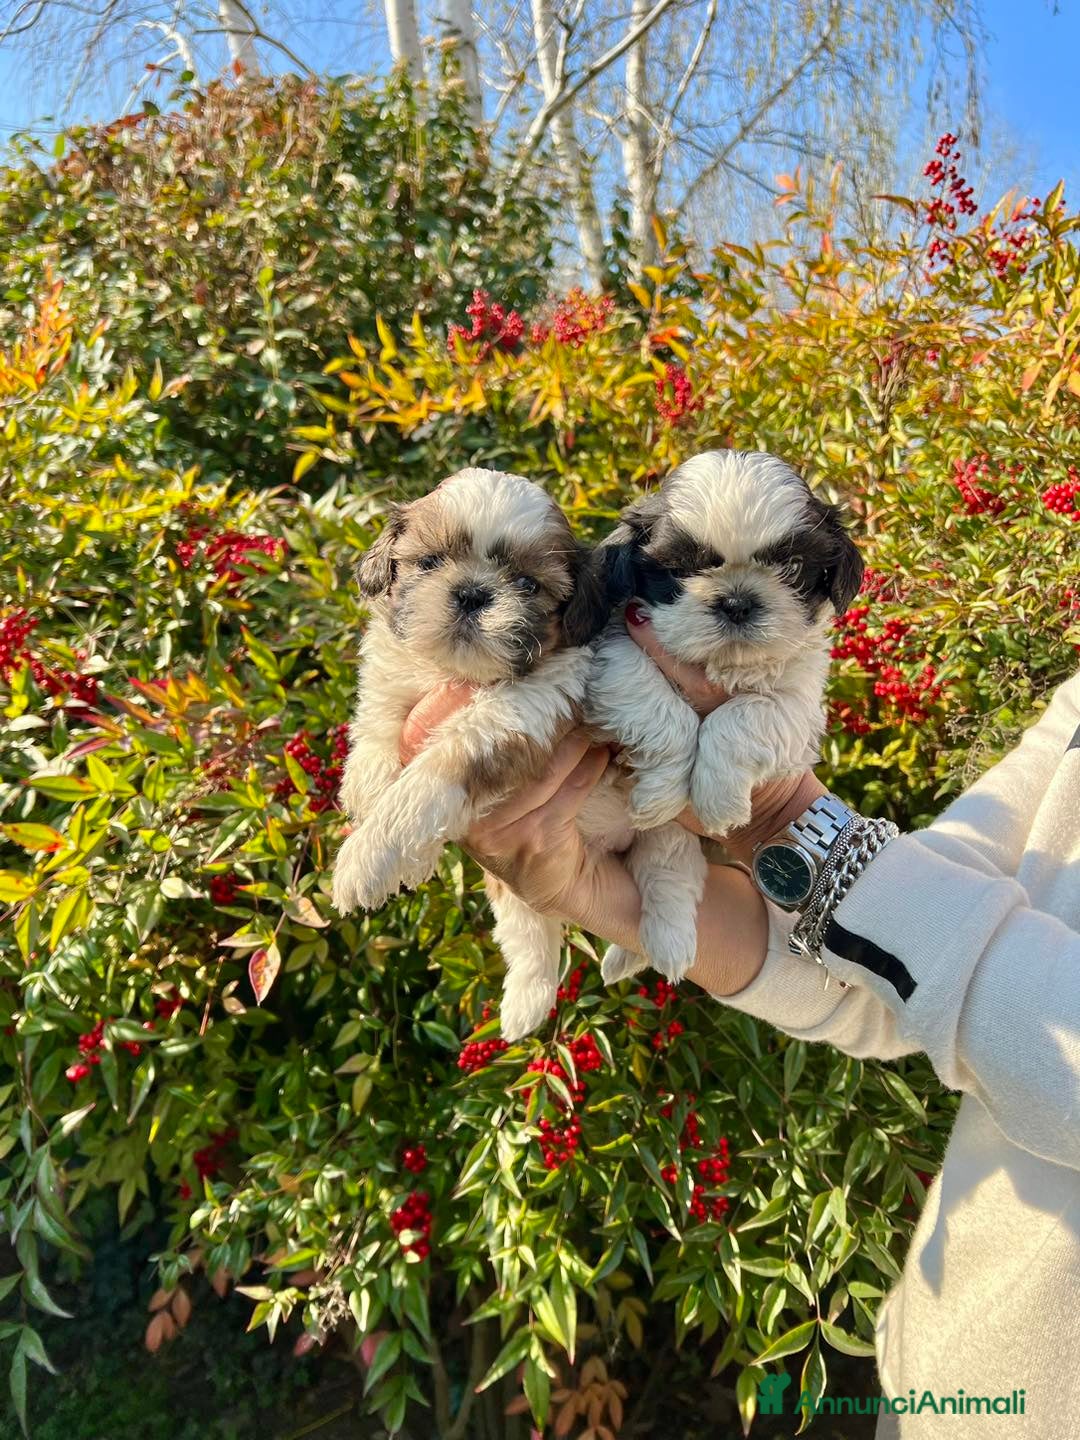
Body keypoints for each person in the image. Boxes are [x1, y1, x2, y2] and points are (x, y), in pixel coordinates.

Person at [399, 603, 1080, 1440]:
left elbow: (930, 941)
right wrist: (612, 897)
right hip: (943, 1377)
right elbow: (903, 960)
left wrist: (784, 816)